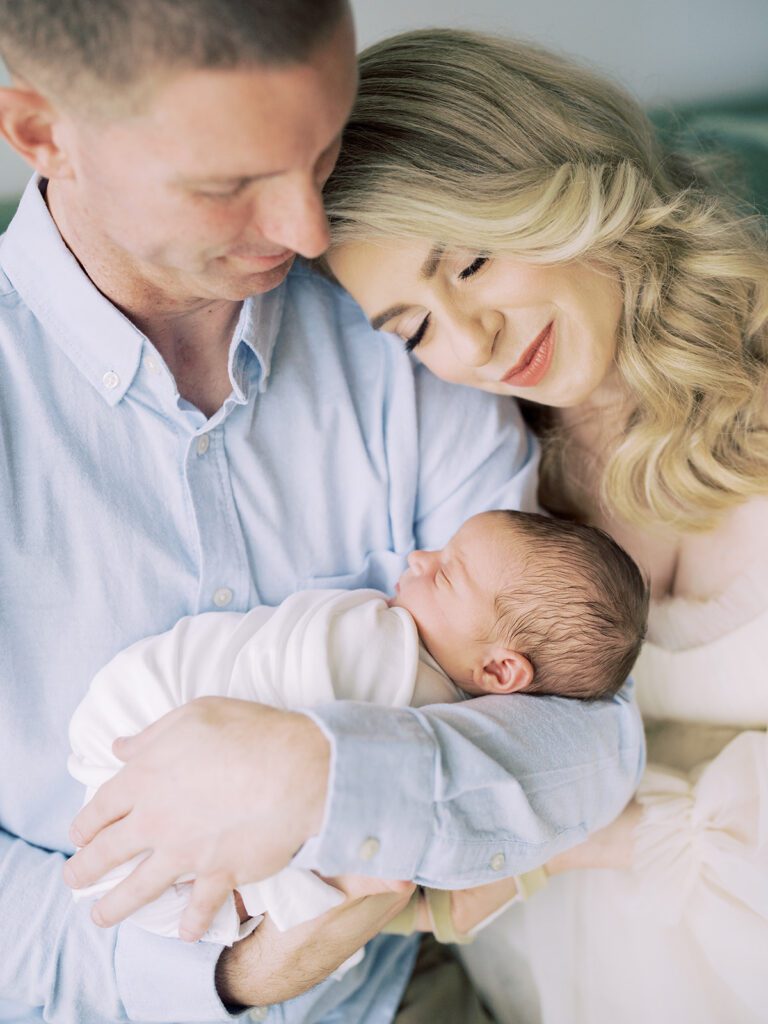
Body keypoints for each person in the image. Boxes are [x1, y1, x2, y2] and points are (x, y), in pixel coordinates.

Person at [0, 4, 644, 1023]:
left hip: (418, 994)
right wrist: (243, 970)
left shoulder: (395, 316)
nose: (307, 231)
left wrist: (322, 772)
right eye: (228, 184)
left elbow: (587, 738)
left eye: (324, 150)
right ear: (40, 133)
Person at [318, 27, 768, 1024]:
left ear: (564, 186)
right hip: (570, 974)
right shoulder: (482, 491)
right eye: (417, 327)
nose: (472, 341)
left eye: (473, 262)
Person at [67, 509, 648, 950]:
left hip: (152, 797)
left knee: (169, 891)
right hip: (142, 716)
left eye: (446, 574)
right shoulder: (377, 638)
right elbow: (277, 715)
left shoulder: (426, 684)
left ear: (500, 670)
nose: (420, 557)